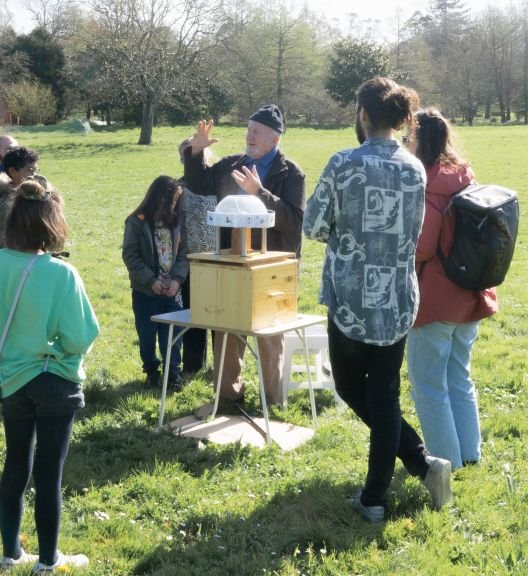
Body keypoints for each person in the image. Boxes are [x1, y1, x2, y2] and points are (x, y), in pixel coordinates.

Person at [303, 76, 451, 521]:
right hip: (397, 299)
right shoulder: (414, 168)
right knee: (384, 395)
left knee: (351, 388)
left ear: (363, 114)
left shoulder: (343, 163)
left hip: (353, 300)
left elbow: (314, 227)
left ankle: (384, 491)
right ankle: (402, 478)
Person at [0, 178, 98, 574]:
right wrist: (53, 348)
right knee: (49, 474)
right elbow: (80, 337)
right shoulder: (62, 274)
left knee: (15, 465)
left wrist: (6, 344)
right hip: (56, 380)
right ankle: (48, 561)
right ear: (52, 223)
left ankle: (11, 553)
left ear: (13, 220)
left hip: (11, 380)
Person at [181, 104, 305, 410]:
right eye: (249, 130)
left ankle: (272, 401)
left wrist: (259, 192)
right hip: (231, 262)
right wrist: (195, 151)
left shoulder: (291, 173)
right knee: (226, 326)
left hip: (271, 266)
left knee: (269, 333)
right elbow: (199, 183)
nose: (250, 136)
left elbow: (294, 220)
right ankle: (228, 397)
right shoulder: (232, 164)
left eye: (257, 132)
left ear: (275, 139)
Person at [405, 109, 497, 471]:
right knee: (459, 376)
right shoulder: (463, 175)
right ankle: (469, 453)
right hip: (470, 293)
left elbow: (423, 247)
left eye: (408, 138)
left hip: (436, 299)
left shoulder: (428, 185)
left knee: (428, 385)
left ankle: (446, 463)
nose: (405, 144)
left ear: (419, 140)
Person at [122, 175, 188, 388]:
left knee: (173, 335)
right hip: (146, 292)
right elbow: (131, 256)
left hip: (172, 291)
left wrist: (177, 280)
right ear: (160, 199)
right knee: (147, 336)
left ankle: (173, 373)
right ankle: (151, 371)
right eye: (173, 200)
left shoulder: (177, 224)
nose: (175, 205)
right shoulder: (136, 222)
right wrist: (151, 281)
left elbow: (183, 255)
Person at [177, 140, 217, 376]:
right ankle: (193, 366)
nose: (186, 159)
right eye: (183, 156)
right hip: (189, 260)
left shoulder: (217, 180)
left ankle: (222, 366)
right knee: (193, 312)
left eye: (190, 154)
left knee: (220, 314)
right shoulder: (177, 186)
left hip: (219, 259)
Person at [0, 146, 40, 251]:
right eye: (30, 170)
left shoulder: (36, 197)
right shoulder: (6, 206)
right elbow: (1, 246)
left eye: (36, 170)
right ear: (12, 171)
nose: (34, 175)